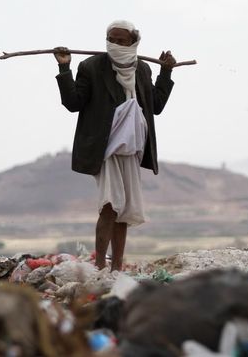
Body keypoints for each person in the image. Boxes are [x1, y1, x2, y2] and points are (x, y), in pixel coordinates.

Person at [54, 20, 176, 271]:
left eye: (122, 41)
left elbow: (156, 105)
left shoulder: (142, 70)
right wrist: (65, 68)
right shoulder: (92, 67)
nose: (116, 44)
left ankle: (117, 268)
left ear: (133, 42)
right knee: (110, 206)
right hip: (106, 147)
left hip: (132, 149)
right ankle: (100, 267)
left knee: (126, 211)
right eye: (112, 39)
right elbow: (73, 102)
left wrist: (166, 73)